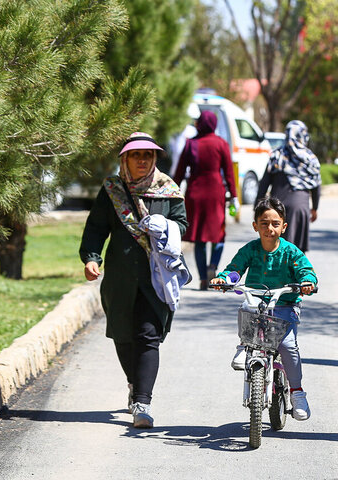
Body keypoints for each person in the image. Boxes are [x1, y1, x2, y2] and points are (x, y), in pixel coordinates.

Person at [79, 132, 188, 429]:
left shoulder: (168, 189)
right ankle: (133, 383)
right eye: (136, 155)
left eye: (148, 155)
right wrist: (91, 257)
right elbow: (96, 228)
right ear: (124, 159)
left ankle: (143, 402)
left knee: (148, 336)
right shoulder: (112, 190)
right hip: (120, 278)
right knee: (124, 336)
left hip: (156, 278)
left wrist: (164, 226)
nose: (142, 160)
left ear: (154, 159)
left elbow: (182, 224)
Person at [211, 196, 318, 420]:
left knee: (288, 346)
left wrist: (307, 283)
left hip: (284, 306)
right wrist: (225, 279)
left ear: (284, 226)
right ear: (255, 226)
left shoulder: (291, 252)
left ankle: (297, 392)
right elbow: (234, 270)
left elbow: (305, 271)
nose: (269, 228)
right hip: (256, 303)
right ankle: (244, 345)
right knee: (246, 308)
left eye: (275, 224)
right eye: (264, 223)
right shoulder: (250, 249)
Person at [173, 110, 239, 290]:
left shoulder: (191, 143)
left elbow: (179, 172)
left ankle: (202, 278)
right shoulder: (221, 144)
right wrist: (233, 196)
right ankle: (213, 266)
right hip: (215, 192)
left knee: (200, 237)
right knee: (219, 234)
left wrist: (171, 191)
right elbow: (229, 173)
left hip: (195, 193)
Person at [256, 120, 321, 253]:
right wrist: (314, 208)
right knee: (297, 254)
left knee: (276, 250)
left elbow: (264, 183)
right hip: (300, 209)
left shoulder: (277, 155)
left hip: (277, 208)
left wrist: (257, 207)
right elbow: (316, 187)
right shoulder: (310, 158)